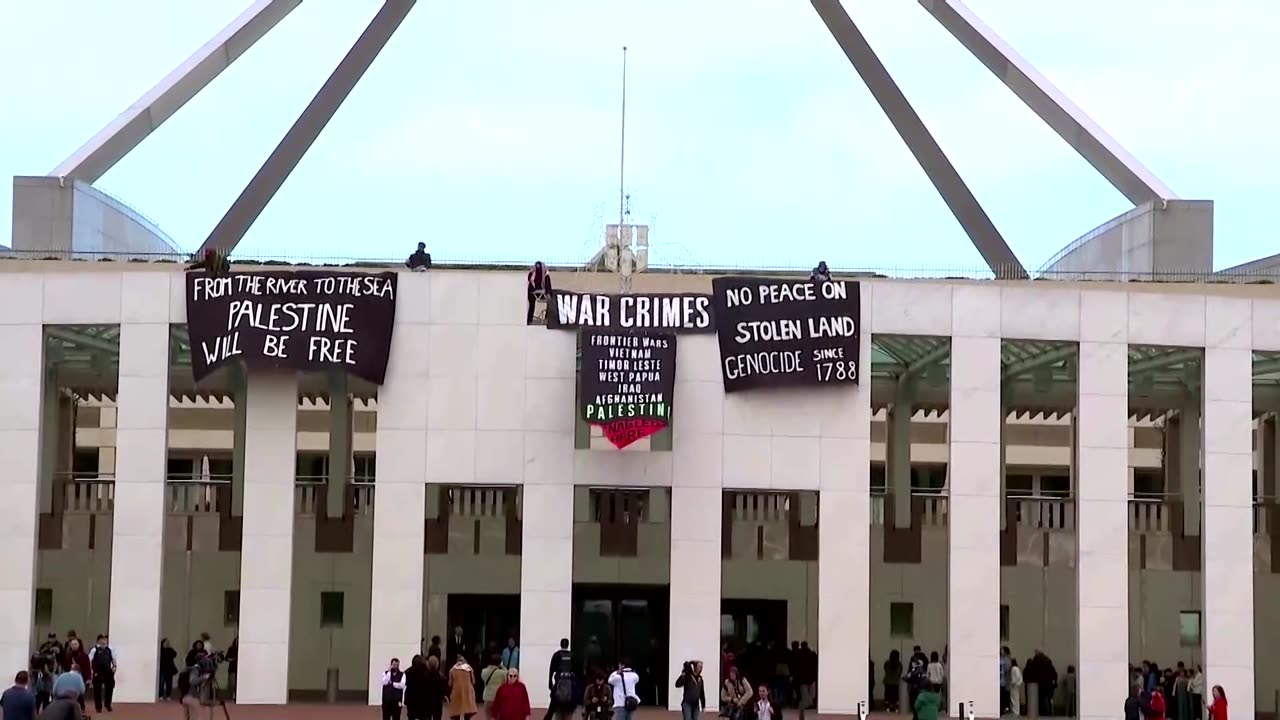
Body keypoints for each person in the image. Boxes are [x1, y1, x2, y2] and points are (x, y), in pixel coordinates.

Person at [182, 648, 215, 720]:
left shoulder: (194, 669)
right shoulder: (195, 669)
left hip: (191, 697)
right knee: (199, 716)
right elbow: (192, 681)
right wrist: (204, 677)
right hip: (191, 697)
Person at [89, 632, 117, 712]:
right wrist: (91, 670)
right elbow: (89, 660)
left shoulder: (110, 649)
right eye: (102, 639)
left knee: (110, 687)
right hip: (98, 671)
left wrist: (114, 666)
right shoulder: (94, 650)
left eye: (105, 639)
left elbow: (113, 659)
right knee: (97, 689)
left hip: (108, 671)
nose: (104, 641)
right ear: (98, 640)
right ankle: (98, 707)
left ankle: (108, 704)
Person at [449, 654, 479, 720]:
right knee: (467, 713)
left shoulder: (452, 670)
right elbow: (473, 682)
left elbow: (450, 684)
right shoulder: (469, 669)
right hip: (468, 692)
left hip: (457, 692)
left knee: (456, 713)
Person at [481, 654, 509, 719]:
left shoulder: (484, 671)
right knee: (498, 716)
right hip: (498, 698)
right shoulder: (502, 673)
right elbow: (507, 676)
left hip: (487, 697)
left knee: (488, 716)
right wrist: (503, 666)